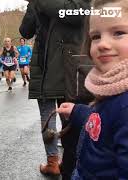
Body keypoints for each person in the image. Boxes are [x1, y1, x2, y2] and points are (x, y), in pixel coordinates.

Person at [57, 0, 128, 178]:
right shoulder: (112, 87)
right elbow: (104, 122)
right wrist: (78, 111)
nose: (102, 44)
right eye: (95, 36)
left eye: (118, 33)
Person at [20, 0, 90, 178]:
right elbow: (25, 30)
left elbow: (79, 14)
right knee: (47, 115)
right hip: (43, 65)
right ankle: (53, 161)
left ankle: (70, 163)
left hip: (69, 62)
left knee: (71, 116)